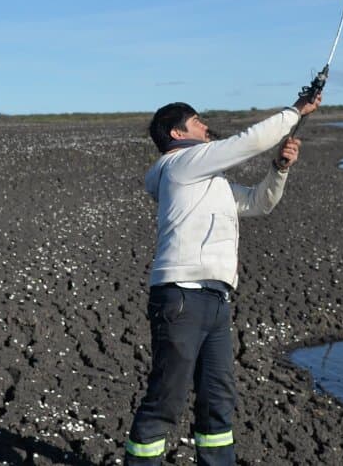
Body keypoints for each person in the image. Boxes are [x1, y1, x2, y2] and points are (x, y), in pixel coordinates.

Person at [125, 91, 321, 465]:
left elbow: (259, 203)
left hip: (216, 300)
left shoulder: (206, 180)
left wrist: (279, 168)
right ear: (176, 133)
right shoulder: (181, 164)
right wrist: (296, 111)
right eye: (197, 121)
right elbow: (247, 143)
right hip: (181, 297)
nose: (206, 125)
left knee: (217, 400)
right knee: (166, 398)